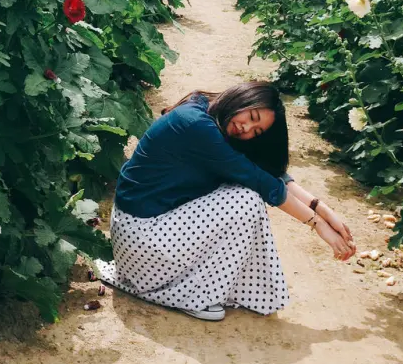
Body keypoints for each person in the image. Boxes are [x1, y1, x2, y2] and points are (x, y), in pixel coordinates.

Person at [96, 81, 356, 321]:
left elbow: (266, 170)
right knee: (246, 199)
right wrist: (316, 224)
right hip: (139, 241)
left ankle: (196, 286)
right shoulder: (195, 124)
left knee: (242, 187)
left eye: (257, 131)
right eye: (251, 117)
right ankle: (192, 296)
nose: (246, 129)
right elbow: (261, 182)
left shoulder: (206, 110)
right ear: (242, 98)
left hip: (144, 233)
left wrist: (322, 209)